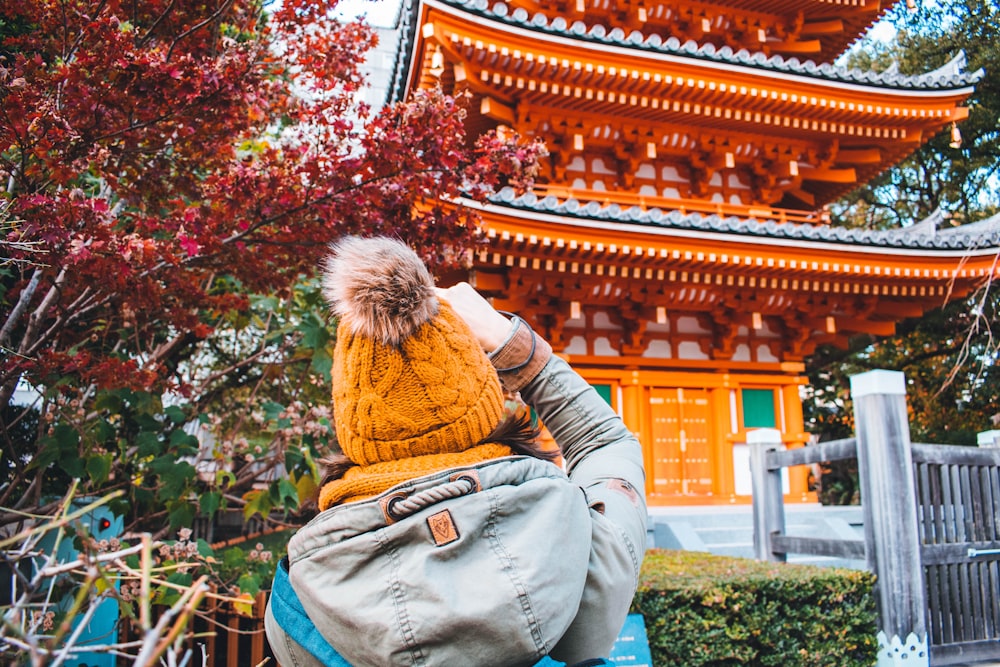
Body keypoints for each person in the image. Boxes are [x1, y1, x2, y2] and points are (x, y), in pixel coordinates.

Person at [264, 236, 647, 667]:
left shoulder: (299, 610)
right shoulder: (583, 543)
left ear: (353, 420)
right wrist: (512, 343)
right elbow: (604, 442)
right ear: (484, 401)